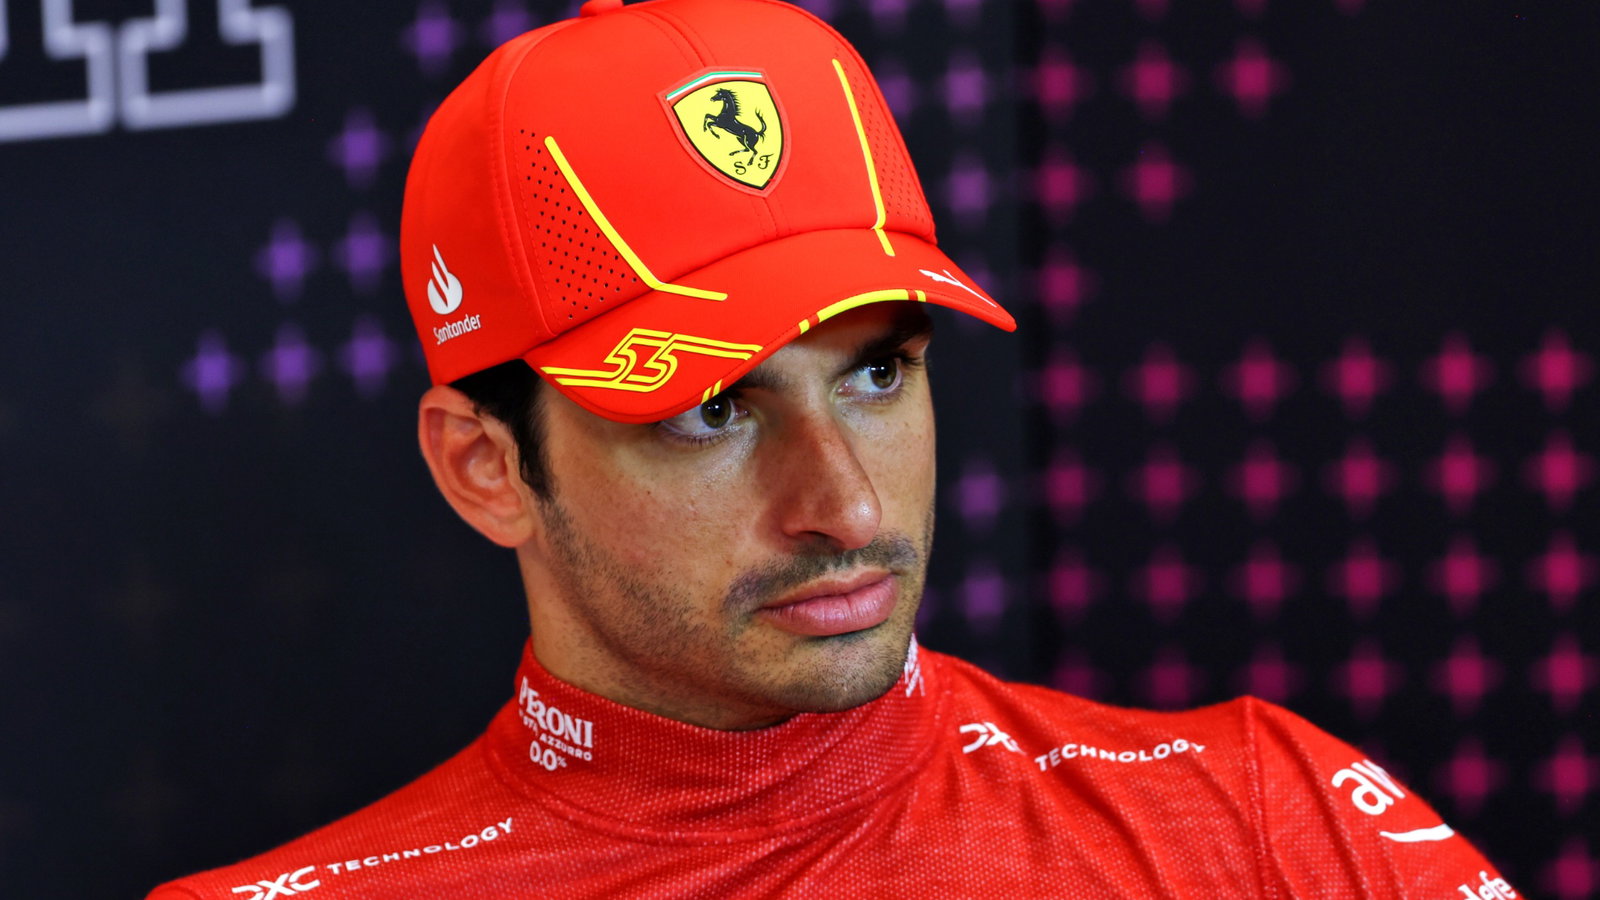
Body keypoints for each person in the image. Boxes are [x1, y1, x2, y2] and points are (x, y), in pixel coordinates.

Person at [149, 0, 1514, 896]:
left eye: (876, 371)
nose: (843, 502)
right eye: (712, 409)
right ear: (484, 465)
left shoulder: (1267, 827)